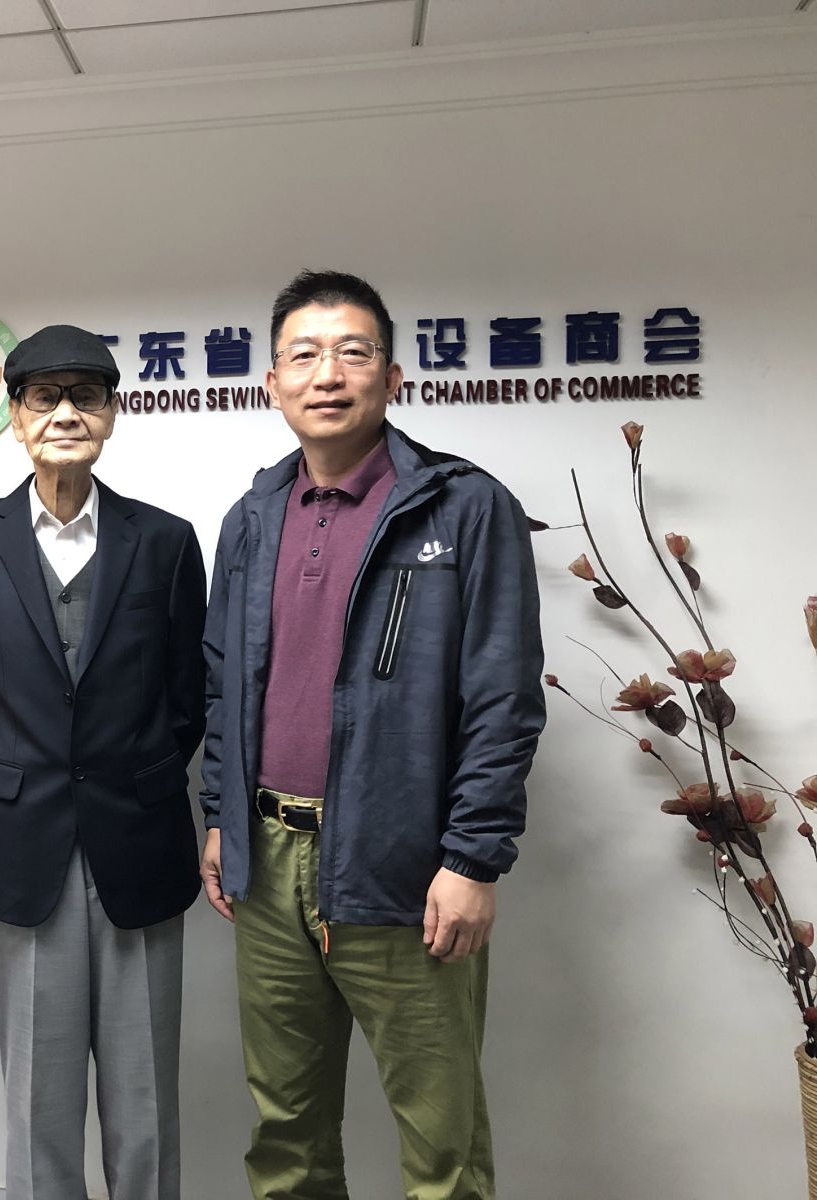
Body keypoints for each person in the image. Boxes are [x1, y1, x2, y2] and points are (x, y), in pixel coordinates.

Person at [199, 270, 545, 1200]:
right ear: (272, 383)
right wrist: (221, 814)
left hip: (404, 866)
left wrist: (472, 859)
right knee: (287, 1134)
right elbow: (224, 684)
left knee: (441, 1144)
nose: (328, 374)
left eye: (353, 353)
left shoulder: (464, 508)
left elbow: (503, 699)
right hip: (267, 861)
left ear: (392, 378)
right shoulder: (251, 518)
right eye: (304, 355)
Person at [0, 325, 206, 1200]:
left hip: (141, 841)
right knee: (37, 1101)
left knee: (145, 1098)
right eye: (45, 397)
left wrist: (137, 775)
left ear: (113, 413)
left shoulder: (166, 541)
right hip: (24, 843)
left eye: (87, 395)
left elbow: (188, 695)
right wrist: (13, 779)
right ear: (15, 417)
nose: (66, 413)